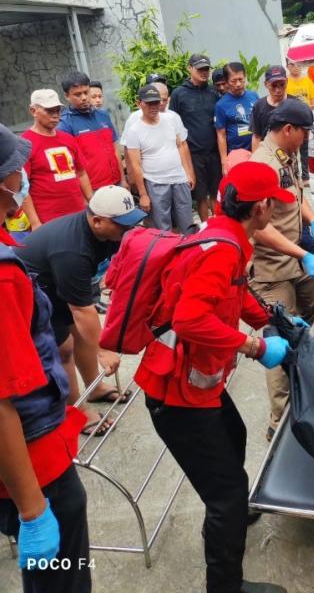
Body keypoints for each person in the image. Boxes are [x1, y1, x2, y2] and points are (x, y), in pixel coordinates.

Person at [135, 161, 296, 593]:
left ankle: (228, 513)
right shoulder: (224, 248)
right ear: (259, 207)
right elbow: (189, 320)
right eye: (272, 205)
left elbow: (235, 292)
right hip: (176, 396)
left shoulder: (225, 235)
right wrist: (256, 347)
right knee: (225, 492)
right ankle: (225, 584)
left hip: (192, 387)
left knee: (236, 436)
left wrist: (269, 321)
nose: (273, 211)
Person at [0, 123, 91, 593]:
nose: (24, 176)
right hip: (34, 464)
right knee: (62, 578)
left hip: (30, 454)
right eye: (17, 168)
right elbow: (1, 403)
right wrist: (34, 510)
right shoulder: (4, 276)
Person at [15, 185, 147, 435]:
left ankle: (93, 387)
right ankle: (76, 411)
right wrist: (104, 349)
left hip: (54, 283)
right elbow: (81, 310)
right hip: (28, 291)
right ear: (97, 221)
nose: (128, 228)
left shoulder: (109, 233)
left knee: (82, 336)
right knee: (63, 348)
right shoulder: (72, 250)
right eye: (122, 224)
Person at [251, 98, 314, 438]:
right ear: (288, 130)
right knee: (280, 339)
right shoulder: (262, 166)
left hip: (298, 257)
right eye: (303, 133)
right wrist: (301, 254)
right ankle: (280, 421)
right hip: (273, 271)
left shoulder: (288, 155)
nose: (306, 139)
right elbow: (257, 226)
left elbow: (297, 197)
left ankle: (313, 395)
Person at [125, 84, 195, 234]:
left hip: (179, 179)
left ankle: (191, 254)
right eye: (149, 103)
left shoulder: (170, 119)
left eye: (156, 102)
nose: (154, 106)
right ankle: (167, 256)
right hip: (156, 182)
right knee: (162, 228)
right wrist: (143, 194)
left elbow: (180, 146)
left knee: (187, 223)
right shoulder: (134, 130)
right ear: (139, 103)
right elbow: (136, 164)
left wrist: (188, 173)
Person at [21, 89, 93, 229]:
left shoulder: (68, 138)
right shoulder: (24, 144)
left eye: (58, 111)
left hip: (78, 214)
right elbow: (22, 188)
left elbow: (81, 173)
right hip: (48, 220)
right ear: (33, 111)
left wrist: (92, 203)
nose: (55, 116)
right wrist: (35, 222)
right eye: (49, 111)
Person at [169, 54, 221, 223]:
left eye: (206, 69)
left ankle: (219, 226)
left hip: (214, 153)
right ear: (189, 69)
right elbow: (173, 123)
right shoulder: (179, 94)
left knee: (216, 192)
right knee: (200, 195)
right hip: (193, 154)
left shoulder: (214, 92)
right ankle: (206, 230)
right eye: (200, 69)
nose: (204, 72)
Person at [58, 71, 127, 191]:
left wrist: (123, 180)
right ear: (67, 96)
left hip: (117, 183)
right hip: (93, 190)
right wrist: (86, 197)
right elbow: (71, 166)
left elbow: (114, 149)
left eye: (86, 92)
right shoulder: (64, 124)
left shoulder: (103, 115)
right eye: (77, 94)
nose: (84, 98)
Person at [215, 62, 259, 170]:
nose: (238, 84)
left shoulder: (254, 96)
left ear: (245, 77)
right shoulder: (221, 105)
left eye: (241, 79)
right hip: (235, 156)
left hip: (256, 152)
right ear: (226, 82)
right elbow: (221, 135)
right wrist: (224, 162)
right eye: (234, 81)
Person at [250, 65, 289, 151]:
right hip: (267, 155)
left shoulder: (295, 104)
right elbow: (256, 136)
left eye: (282, 85)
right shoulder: (259, 106)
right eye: (274, 86)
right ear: (266, 84)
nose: (278, 90)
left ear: (287, 81)